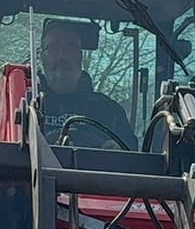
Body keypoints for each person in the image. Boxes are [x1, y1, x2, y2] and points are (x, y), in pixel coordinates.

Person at [37, 18, 135, 148]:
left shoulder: (109, 111)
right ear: (42, 57)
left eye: (70, 48)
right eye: (53, 48)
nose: (62, 56)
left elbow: (132, 154)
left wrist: (116, 150)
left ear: (80, 56)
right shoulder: (23, 105)